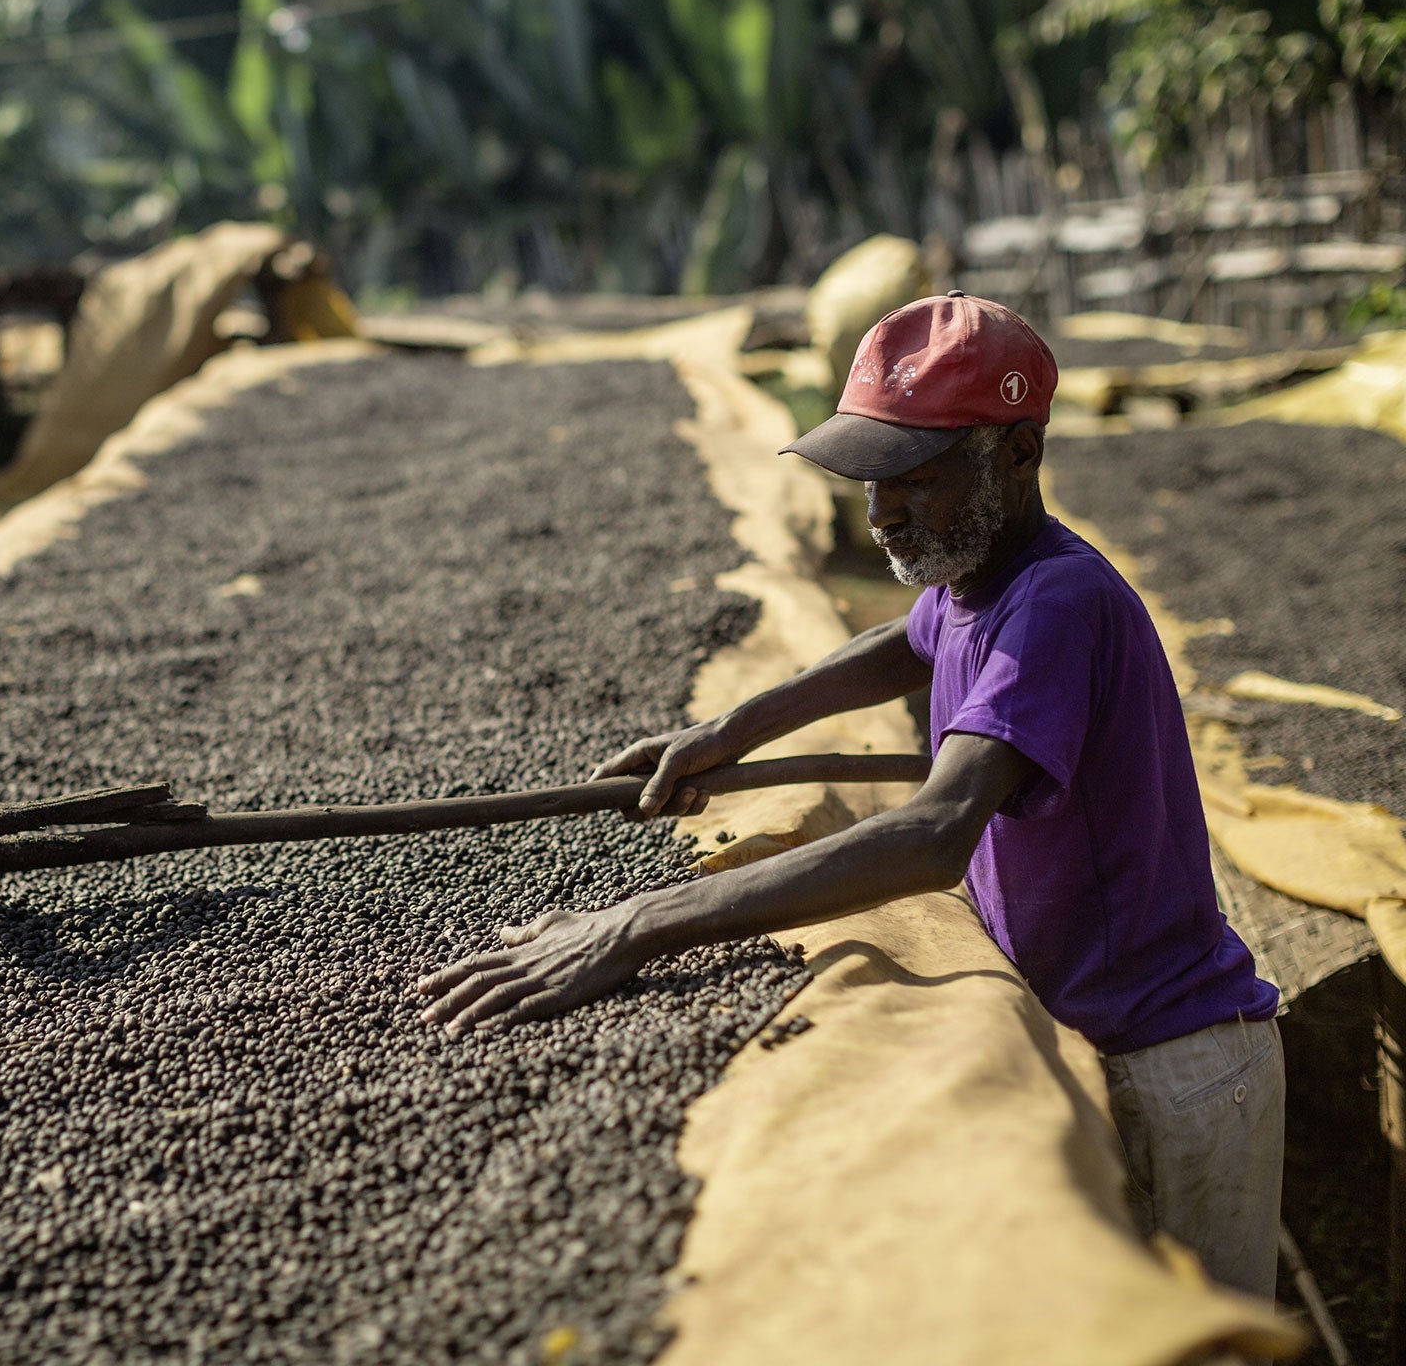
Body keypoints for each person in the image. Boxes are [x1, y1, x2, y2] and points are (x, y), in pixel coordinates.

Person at [414, 291, 1285, 1297]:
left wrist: (634, 926)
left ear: (1015, 452)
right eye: (867, 481)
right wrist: (725, 731)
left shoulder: (1055, 603)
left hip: (1171, 1064)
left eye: (911, 478)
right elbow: (902, 642)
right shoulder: (978, 579)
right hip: (1093, 1035)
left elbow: (927, 838)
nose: (877, 515)